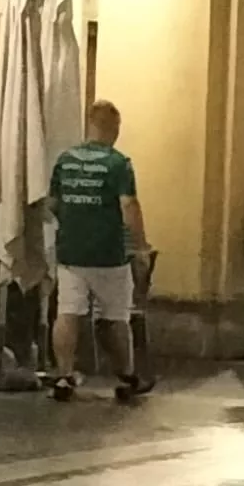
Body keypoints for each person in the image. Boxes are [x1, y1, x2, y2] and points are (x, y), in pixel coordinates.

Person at [48, 100, 153, 402]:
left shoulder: (65, 160)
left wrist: (72, 225)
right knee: (115, 316)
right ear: (114, 128)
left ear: (89, 124)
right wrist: (140, 245)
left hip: (70, 252)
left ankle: (64, 377)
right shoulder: (118, 163)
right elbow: (128, 205)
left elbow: (52, 204)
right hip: (109, 254)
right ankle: (126, 376)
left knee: (67, 312)